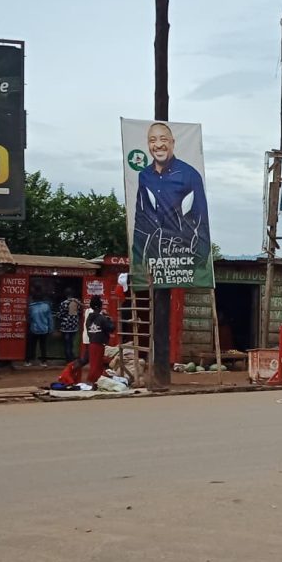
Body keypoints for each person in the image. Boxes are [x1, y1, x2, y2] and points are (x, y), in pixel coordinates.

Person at [131, 122, 211, 275]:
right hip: (153, 261)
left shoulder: (190, 175)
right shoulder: (144, 176)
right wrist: (137, 261)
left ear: (172, 143)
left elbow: (202, 222)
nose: (158, 145)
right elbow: (140, 220)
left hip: (182, 260)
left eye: (163, 139)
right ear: (148, 145)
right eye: (153, 140)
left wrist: (200, 263)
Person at [82, 296, 114, 382]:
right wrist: (110, 320)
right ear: (99, 307)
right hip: (99, 344)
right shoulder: (102, 318)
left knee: (95, 364)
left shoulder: (89, 318)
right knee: (96, 365)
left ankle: (96, 381)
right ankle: (92, 382)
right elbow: (111, 328)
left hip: (91, 343)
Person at [27, 290, 53, 367]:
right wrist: (50, 329)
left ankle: (29, 361)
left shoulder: (31, 307)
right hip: (44, 329)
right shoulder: (46, 306)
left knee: (31, 346)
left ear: (34, 299)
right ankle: (43, 362)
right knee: (43, 346)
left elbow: (29, 318)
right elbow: (50, 319)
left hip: (34, 329)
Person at [57, 288, 83, 363]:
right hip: (74, 326)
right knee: (71, 343)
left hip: (66, 327)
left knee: (67, 343)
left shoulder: (64, 303)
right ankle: (71, 357)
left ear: (65, 294)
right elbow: (79, 312)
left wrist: (58, 315)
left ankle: (68, 360)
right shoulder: (77, 302)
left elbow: (61, 315)